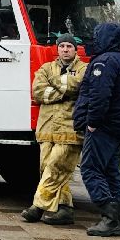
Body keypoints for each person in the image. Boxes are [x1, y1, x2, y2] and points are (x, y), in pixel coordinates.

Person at [73, 21, 120, 238]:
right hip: (118, 125)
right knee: (111, 171)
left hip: (103, 126)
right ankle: (118, 217)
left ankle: (109, 217)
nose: (94, 38)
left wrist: (92, 122)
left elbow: (100, 96)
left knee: (90, 169)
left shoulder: (104, 62)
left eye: (97, 35)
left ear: (106, 38)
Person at [21, 33, 86, 226]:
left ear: (76, 49)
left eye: (69, 46)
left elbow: (78, 86)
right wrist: (65, 90)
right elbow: (38, 91)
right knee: (49, 169)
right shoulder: (46, 68)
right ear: (57, 49)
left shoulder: (84, 69)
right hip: (47, 128)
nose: (65, 49)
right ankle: (65, 209)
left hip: (70, 129)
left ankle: (37, 207)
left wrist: (56, 85)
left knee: (55, 167)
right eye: (62, 46)